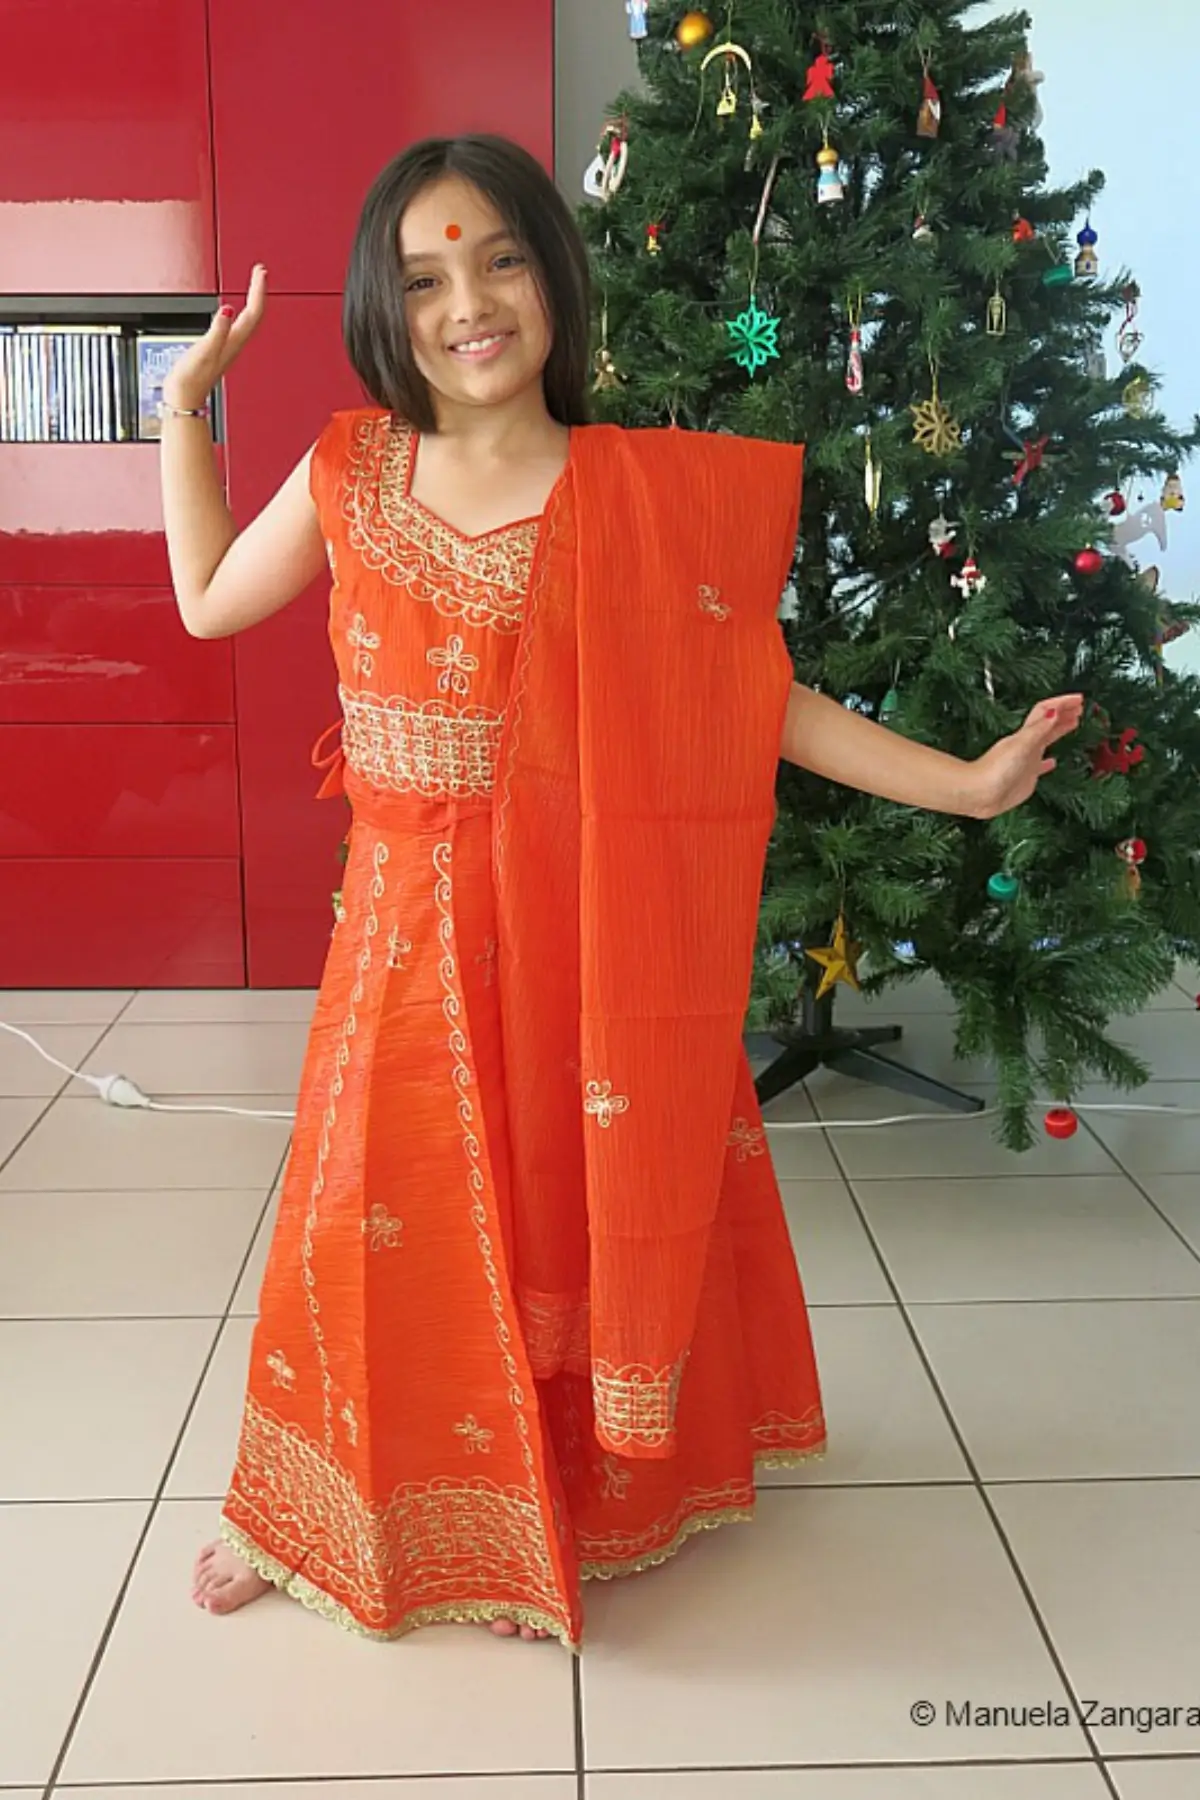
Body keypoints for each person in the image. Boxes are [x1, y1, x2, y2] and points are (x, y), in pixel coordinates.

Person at [161, 135, 1082, 1648]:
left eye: (501, 260)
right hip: (401, 940)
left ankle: (590, 1476)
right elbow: (206, 605)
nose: (469, 303)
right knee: (361, 1220)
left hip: (582, 931)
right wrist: (183, 412)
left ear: (553, 276)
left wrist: (965, 781)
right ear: (381, 314)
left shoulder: (632, 494)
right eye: (424, 278)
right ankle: (317, 1496)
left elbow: (756, 701)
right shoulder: (348, 467)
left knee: (572, 1216)